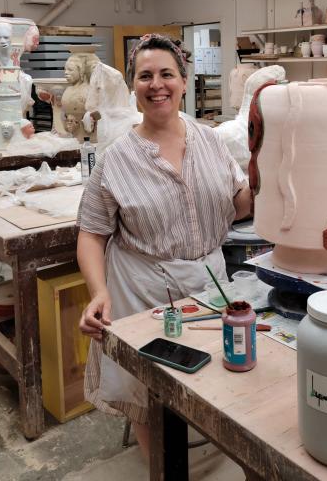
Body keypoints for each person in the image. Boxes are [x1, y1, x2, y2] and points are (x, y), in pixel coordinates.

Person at [77, 33, 251, 461]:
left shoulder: (211, 141)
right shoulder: (116, 157)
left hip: (208, 280)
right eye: (145, 76)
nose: (157, 84)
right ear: (134, 86)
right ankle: (163, 465)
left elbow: (240, 206)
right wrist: (98, 292)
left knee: (214, 375)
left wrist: (264, 172)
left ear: (183, 80)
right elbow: (91, 233)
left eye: (166, 74)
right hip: (142, 287)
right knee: (148, 389)